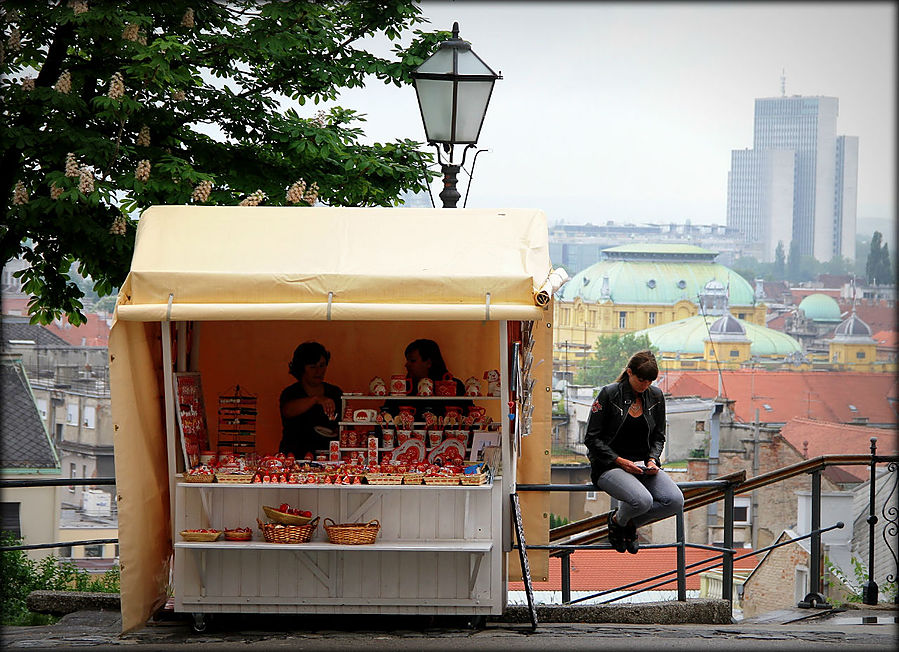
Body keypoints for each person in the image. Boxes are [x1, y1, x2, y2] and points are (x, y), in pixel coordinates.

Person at [583, 350, 684, 554]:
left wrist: (652, 460)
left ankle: (623, 523)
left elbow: (658, 436)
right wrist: (620, 461)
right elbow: (591, 439)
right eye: (641, 380)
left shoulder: (655, 397)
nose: (645, 385)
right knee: (642, 501)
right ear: (629, 372)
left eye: (650, 381)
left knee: (675, 501)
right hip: (609, 466)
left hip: (641, 465)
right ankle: (619, 521)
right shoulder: (609, 394)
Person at [279, 341, 343, 459]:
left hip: (328, 457)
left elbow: (345, 425)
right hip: (294, 456)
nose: (319, 371)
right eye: (313, 367)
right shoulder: (291, 393)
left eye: (322, 365)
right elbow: (287, 410)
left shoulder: (335, 393)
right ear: (301, 368)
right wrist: (315, 399)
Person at [384, 339, 472, 418]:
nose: (406, 365)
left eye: (412, 361)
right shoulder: (402, 389)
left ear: (429, 363)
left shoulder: (455, 386)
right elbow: (386, 417)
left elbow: (470, 419)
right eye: (407, 360)